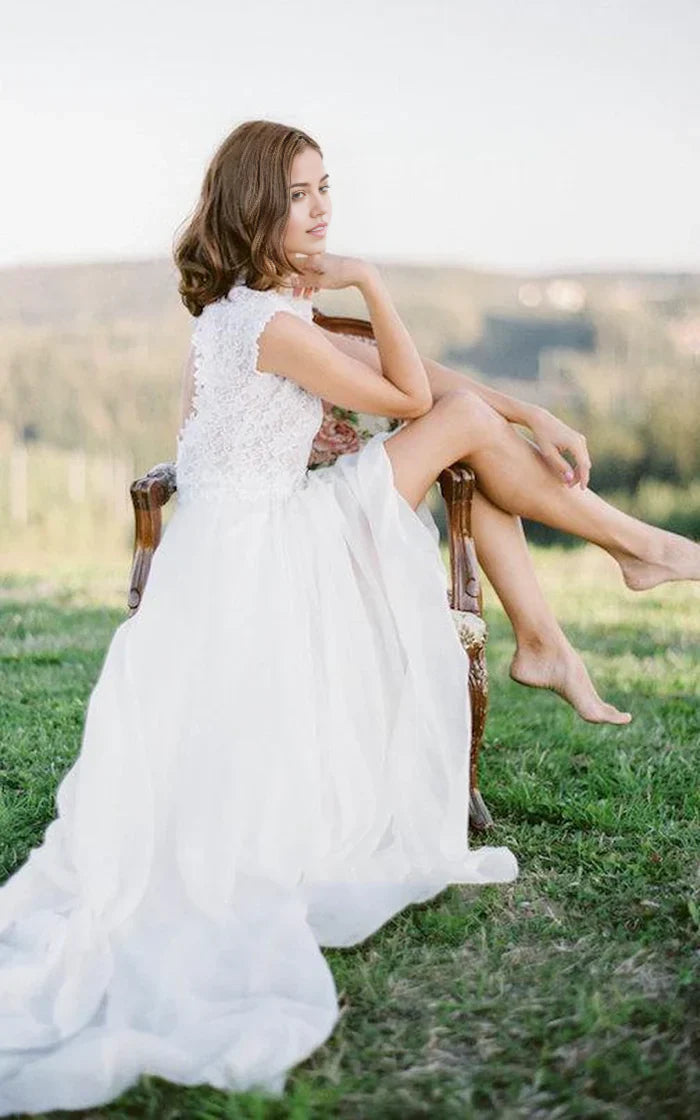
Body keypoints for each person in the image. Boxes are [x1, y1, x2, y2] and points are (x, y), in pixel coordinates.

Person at [0, 119, 694, 1116]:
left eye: (328, 188)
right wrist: (368, 281)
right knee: (458, 430)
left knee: (475, 436)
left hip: (254, 536)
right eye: (300, 195)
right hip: (269, 557)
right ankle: (635, 558)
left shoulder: (252, 312)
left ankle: (573, 615)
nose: (323, 210)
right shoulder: (274, 324)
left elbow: (425, 393)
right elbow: (414, 393)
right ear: (255, 210)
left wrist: (533, 414)